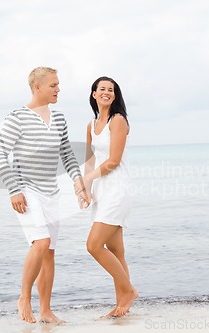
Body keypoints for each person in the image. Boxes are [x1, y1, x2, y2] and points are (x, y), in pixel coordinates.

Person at [0, 67, 88, 324]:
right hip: (26, 189)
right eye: (53, 85)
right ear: (38, 87)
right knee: (41, 242)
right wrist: (14, 190)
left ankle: (46, 311)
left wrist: (78, 182)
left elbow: (67, 154)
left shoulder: (58, 118)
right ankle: (24, 297)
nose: (58, 89)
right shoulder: (17, 117)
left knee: (50, 252)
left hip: (51, 192)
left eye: (58, 85)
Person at [76, 76, 138, 318]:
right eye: (102, 89)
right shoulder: (91, 124)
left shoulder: (118, 120)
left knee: (93, 245)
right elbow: (90, 159)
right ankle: (122, 304)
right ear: (94, 94)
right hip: (102, 191)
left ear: (115, 95)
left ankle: (129, 291)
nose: (106, 92)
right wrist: (86, 189)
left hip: (117, 190)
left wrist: (88, 179)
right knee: (116, 250)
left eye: (110, 90)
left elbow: (113, 160)